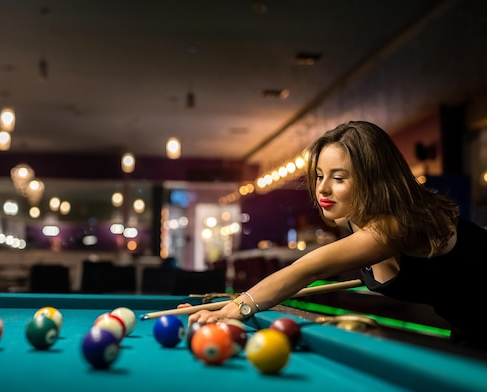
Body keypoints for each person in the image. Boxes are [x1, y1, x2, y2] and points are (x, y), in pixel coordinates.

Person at [185, 120, 487, 349]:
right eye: (319, 176)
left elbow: (308, 268)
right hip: (468, 329)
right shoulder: (359, 223)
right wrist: (236, 303)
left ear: (374, 179)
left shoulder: (396, 225)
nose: (322, 188)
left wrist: (240, 306)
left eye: (338, 177)